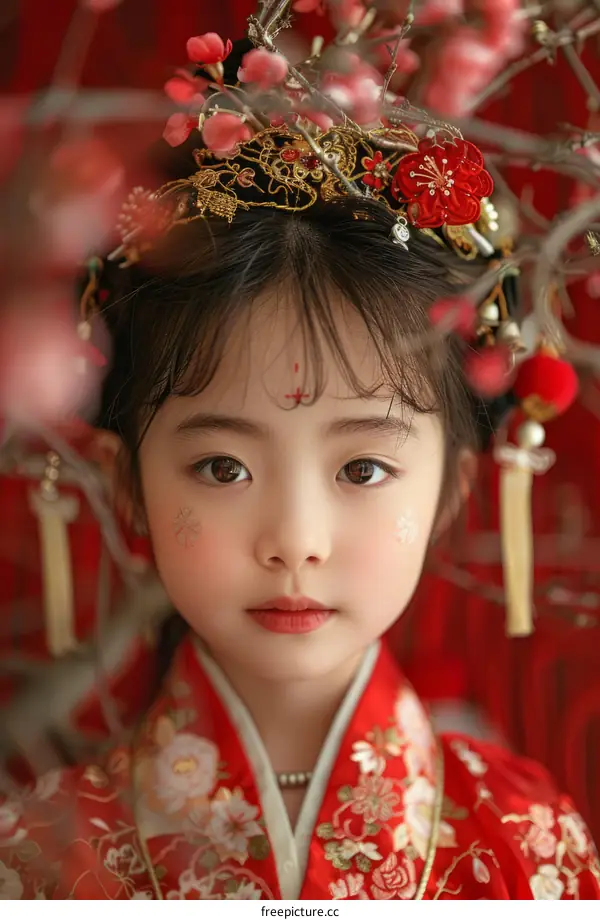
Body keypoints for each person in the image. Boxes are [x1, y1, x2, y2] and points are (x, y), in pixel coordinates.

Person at [0, 29, 599, 901]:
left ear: (453, 489)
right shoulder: (34, 864)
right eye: (221, 468)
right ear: (128, 482)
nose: (294, 542)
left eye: (361, 470)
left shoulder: (534, 847)